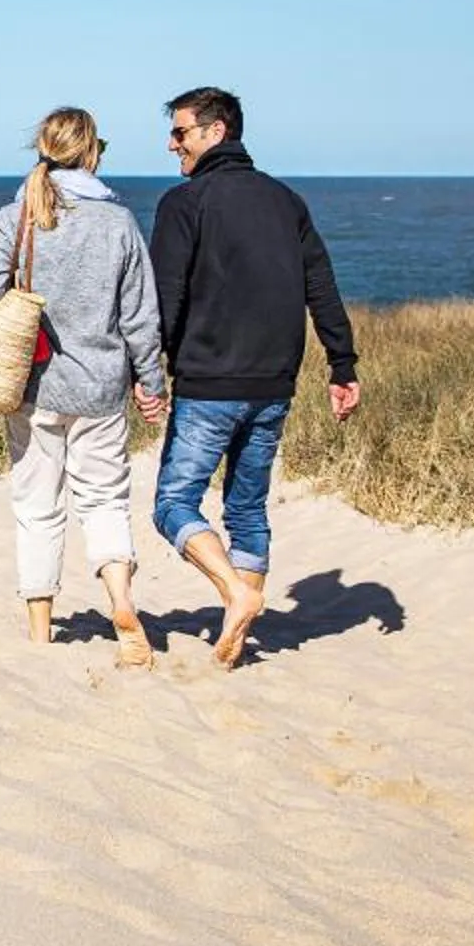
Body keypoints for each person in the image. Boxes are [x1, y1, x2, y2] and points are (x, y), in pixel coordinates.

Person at [147, 86, 361, 669]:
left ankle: (234, 593)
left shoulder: (184, 203)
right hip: (273, 386)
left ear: (215, 131)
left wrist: (149, 371)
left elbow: (166, 298)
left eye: (180, 133)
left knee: (172, 504)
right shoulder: (286, 201)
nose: (172, 144)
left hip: (208, 386)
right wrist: (342, 364)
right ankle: (234, 643)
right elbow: (322, 287)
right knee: (246, 511)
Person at [0, 106, 170, 668]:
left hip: (33, 386)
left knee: (37, 507)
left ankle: (40, 633)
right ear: (92, 152)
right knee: (104, 501)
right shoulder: (119, 223)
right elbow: (140, 317)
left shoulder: (17, 215)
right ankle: (121, 603)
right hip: (100, 388)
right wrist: (151, 382)